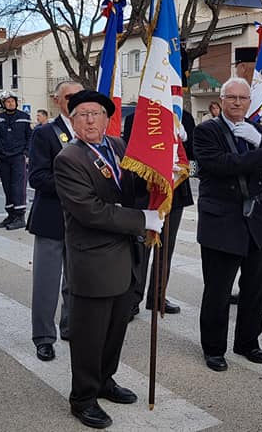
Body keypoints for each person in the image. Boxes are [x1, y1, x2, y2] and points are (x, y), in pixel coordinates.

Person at [54, 90, 164, 430]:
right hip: (94, 260)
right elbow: (91, 211)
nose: (90, 120)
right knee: (89, 335)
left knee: (116, 328)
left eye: (96, 114)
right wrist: (141, 219)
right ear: (73, 121)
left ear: (106, 119)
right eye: (82, 114)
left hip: (125, 256)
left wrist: (162, 172)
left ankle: (105, 380)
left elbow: (132, 187)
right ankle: (83, 398)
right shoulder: (69, 158)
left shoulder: (117, 146)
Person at [193, 77, 262, 372]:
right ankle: (213, 348)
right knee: (218, 290)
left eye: (243, 98)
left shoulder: (258, 130)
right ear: (221, 100)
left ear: (249, 102)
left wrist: (261, 143)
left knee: (255, 288)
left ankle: (248, 342)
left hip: (256, 220)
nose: (237, 103)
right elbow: (221, 165)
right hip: (222, 222)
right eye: (231, 97)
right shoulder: (206, 131)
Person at [123, 108, 197, 317]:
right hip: (146, 191)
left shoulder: (184, 117)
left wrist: (183, 141)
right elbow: (131, 153)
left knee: (166, 248)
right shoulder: (137, 115)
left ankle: (157, 296)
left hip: (175, 191)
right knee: (141, 248)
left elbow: (193, 154)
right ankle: (133, 299)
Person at [28, 80, 82, 363]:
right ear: (57, 100)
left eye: (79, 96)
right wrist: (73, 187)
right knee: (46, 284)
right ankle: (43, 338)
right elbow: (37, 177)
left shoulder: (92, 132)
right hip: (51, 217)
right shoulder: (45, 133)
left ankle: (70, 327)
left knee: (76, 280)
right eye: (68, 96)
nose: (74, 101)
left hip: (82, 219)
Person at [0, 90, 33, 230]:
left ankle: (20, 216)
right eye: (7, 102)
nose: (10, 104)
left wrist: (26, 153)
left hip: (18, 157)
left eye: (12, 101)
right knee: (7, 186)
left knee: (18, 186)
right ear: (3, 104)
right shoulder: (0, 118)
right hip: (3, 157)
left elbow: (30, 137)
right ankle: (11, 215)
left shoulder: (24, 117)